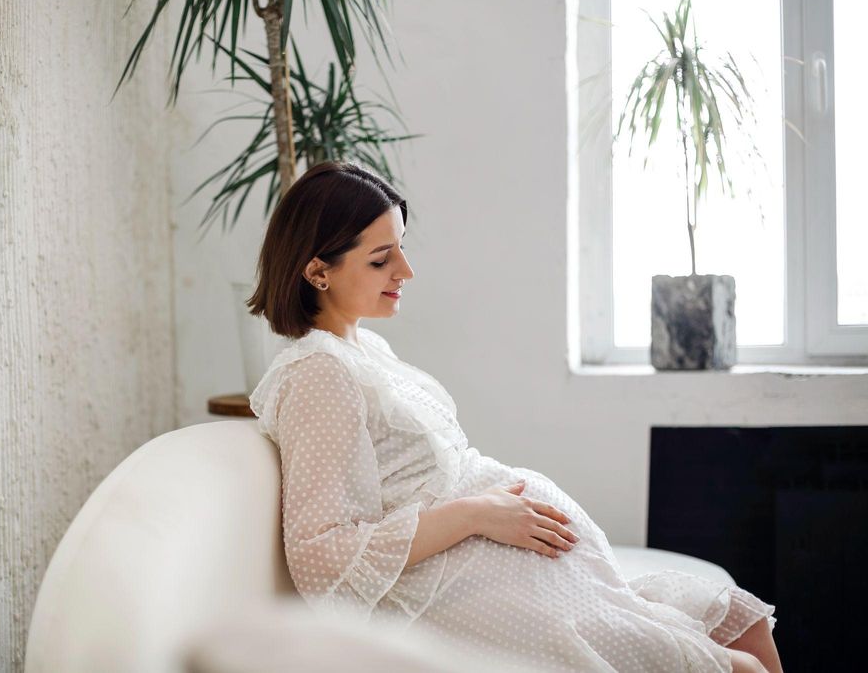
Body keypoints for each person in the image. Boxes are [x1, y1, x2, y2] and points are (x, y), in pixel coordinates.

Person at [246, 161, 783, 673]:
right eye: (381, 258)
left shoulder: (361, 352)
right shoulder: (318, 374)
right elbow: (320, 556)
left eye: (402, 249)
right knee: (740, 664)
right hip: (450, 592)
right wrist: (477, 514)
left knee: (745, 624)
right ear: (318, 271)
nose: (406, 271)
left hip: (507, 570)